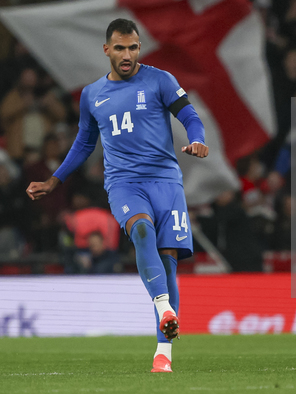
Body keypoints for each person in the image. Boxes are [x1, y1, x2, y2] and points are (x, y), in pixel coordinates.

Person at [25, 19, 208, 372]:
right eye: (120, 48)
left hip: (166, 181)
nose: (127, 55)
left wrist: (197, 138)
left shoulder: (160, 80)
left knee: (167, 257)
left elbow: (189, 115)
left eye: (133, 47)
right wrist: (54, 181)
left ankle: (163, 355)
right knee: (141, 231)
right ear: (107, 49)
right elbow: (83, 143)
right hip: (124, 183)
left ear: (139, 48)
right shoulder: (92, 95)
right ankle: (164, 307)